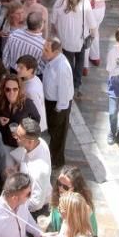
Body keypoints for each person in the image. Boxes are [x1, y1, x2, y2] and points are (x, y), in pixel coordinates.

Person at [51, 0, 96, 97]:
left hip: (64, 40)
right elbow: (92, 24)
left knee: (68, 63)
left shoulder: (59, 2)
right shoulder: (85, 2)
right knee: (80, 61)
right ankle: (76, 85)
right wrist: (93, 36)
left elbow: (53, 21)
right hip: (80, 39)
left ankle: (68, 85)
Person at [42, 38, 74, 168]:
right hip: (50, 102)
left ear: (55, 51)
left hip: (59, 105)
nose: (43, 52)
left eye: (46, 50)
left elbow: (63, 91)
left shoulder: (62, 67)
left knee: (59, 133)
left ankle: (57, 160)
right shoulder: (52, 60)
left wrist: (58, 109)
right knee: (53, 131)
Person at [49, 165, 98, 237]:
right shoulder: (57, 197)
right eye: (59, 183)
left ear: (75, 188)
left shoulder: (84, 209)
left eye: (65, 187)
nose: (60, 188)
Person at [0, 76, 40, 149]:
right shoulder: (0, 101)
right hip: (2, 143)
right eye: (8, 89)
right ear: (3, 90)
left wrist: (23, 130)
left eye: (15, 89)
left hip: (20, 146)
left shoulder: (27, 103)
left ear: (19, 89)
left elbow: (36, 120)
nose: (11, 92)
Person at [16, 54, 47, 132]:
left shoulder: (31, 91)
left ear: (30, 70)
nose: (17, 69)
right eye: (18, 67)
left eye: (21, 68)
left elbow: (35, 112)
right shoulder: (35, 78)